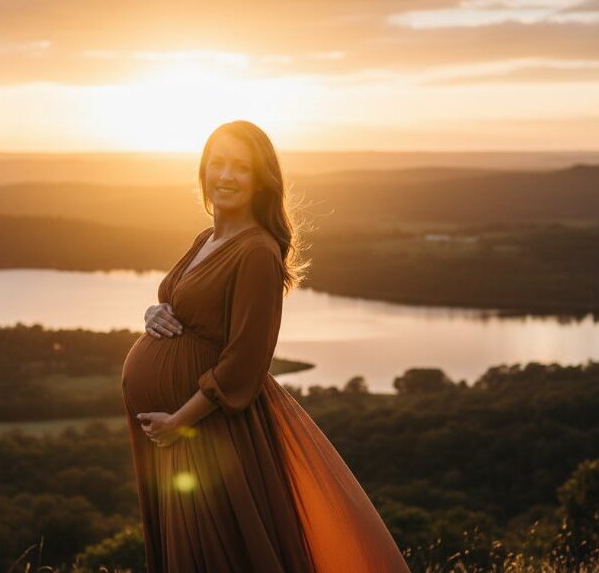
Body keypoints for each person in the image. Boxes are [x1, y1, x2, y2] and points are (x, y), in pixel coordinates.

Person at [120, 120, 411, 572]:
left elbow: (246, 361)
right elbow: (178, 299)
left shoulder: (257, 250)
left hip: (208, 431)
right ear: (203, 171)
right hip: (179, 435)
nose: (226, 176)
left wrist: (181, 421)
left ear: (261, 181)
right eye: (218, 164)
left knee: (217, 555)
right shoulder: (209, 237)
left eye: (241, 167)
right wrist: (152, 311)